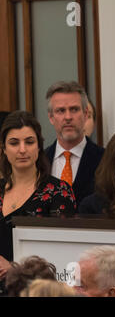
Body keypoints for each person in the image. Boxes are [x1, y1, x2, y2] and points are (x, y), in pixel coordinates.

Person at [0, 112, 76, 292]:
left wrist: (14, 267)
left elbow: (62, 250)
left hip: (35, 290)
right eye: (14, 143)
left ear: (39, 146)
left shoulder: (58, 191)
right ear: (3, 148)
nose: (22, 149)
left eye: (29, 142)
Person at [45, 81, 104, 206]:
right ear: (51, 117)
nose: (68, 117)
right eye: (61, 110)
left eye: (74, 109)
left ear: (86, 114)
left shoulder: (105, 159)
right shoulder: (39, 160)